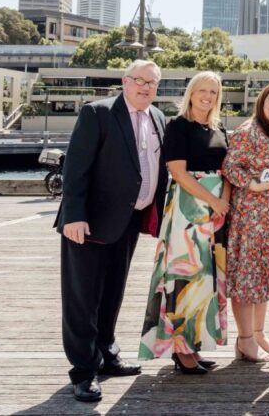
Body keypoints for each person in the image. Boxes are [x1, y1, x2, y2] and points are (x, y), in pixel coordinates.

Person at [56, 59, 167, 402]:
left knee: (112, 292)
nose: (146, 87)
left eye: (152, 83)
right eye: (139, 81)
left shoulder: (159, 118)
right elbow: (75, 168)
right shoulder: (98, 113)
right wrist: (73, 215)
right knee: (82, 297)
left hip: (129, 220)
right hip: (88, 223)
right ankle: (84, 370)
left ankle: (106, 353)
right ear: (125, 81)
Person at [139, 71, 230, 374]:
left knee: (207, 277)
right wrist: (213, 200)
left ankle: (195, 343)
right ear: (191, 92)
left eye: (213, 92)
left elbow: (227, 169)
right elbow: (178, 173)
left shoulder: (218, 127)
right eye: (202, 90)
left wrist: (224, 200)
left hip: (216, 211)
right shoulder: (178, 126)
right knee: (184, 276)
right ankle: (179, 348)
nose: (207, 96)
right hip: (188, 209)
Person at [222, 83, 269, 361]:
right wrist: (252, 185)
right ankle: (245, 339)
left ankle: (259, 332)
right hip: (254, 215)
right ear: (261, 102)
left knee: (264, 273)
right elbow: (230, 167)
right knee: (247, 276)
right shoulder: (248, 131)